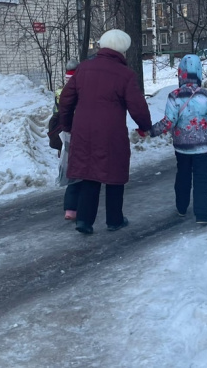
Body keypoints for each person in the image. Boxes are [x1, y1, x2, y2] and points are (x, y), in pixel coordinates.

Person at [58, 29, 152, 234]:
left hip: (83, 131)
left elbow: (65, 99)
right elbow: (138, 106)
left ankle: (84, 220)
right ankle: (114, 219)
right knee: (114, 175)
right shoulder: (125, 75)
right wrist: (145, 126)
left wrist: (67, 125)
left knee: (89, 174)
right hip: (111, 133)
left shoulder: (84, 68)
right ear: (122, 50)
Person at [142, 54, 207, 225]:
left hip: (182, 147)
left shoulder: (174, 96)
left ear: (181, 73)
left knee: (183, 176)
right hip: (203, 148)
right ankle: (202, 214)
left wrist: (151, 131)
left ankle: (181, 207)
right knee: (202, 179)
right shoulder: (206, 96)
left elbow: (169, 122)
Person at [48, 60, 80, 220]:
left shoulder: (60, 92)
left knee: (70, 170)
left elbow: (56, 114)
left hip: (64, 135)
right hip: (79, 134)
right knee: (82, 172)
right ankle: (77, 207)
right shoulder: (81, 90)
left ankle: (69, 208)